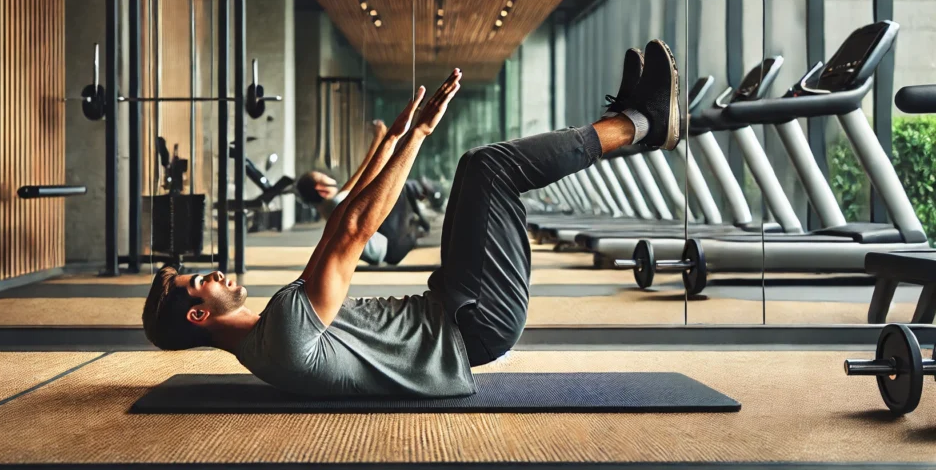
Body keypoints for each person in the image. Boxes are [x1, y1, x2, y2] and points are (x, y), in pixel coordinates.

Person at [142, 40, 680, 398]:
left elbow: (337, 226)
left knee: (479, 167)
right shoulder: (283, 333)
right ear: (197, 316)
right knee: (489, 167)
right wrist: (419, 136)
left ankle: (627, 121)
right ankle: (643, 123)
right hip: (476, 323)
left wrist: (394, 139)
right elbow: (353, 231)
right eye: (199, 281)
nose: (212, 273)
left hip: (453, 306)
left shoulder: (271, 339)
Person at [295, 121, 431, 266]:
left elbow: (353, 184)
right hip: (391, 249)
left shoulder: (328, 208)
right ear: (322, 189)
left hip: (386, 248)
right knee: (399, 187)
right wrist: (381, 139)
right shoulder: (335, 204)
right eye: (323, 177)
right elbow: (364, 173)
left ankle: (417, 227)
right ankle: (420, 224)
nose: (330, 177)